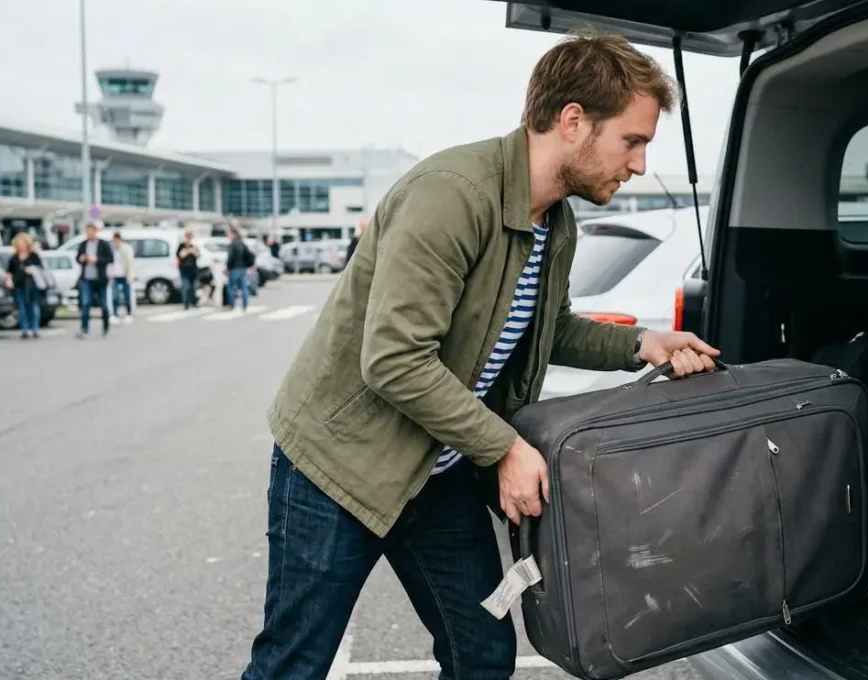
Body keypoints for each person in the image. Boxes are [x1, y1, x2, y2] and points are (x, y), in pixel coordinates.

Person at [240, 31, 720, 680]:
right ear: (573, 122)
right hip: (339, 472)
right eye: (632, 141)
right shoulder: (452, 195)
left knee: (483, 655)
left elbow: (549, 329)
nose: (637, 164)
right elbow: (394, 359)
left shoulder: (556, 220)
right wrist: (503, 449)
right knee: (293, 665)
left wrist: (645, 344)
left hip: (435, 475)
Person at [75, 222, 114, 338]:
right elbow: (77, 257)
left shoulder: (103, 244)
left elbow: (110, 259)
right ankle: (84, 328)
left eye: (91, 231)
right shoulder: (83, 244)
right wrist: (81, 259)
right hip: (87, 277)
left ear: (95, 231)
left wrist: (97, 259)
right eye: (87, 232)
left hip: (100, 278)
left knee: (103, 304)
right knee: (86, 303)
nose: (89, 234)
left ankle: (106, 326)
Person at [4, 233, 44, 339]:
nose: (21, 245)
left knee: (33, 307)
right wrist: (9, 281)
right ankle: (24, 330)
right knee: (21, 308)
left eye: (23, 242)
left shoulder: (33, 256)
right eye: (19, 243)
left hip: (32, 285)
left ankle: (35, 329)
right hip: (19, 285)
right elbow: (9, 271)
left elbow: (41, 269)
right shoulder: (14, 258)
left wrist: (32, 270)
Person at [110, 231, 135, 323]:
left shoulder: (126, 249)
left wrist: (130, 275)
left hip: (124, 275)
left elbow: (130, 262)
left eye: (117, 240)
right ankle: (115, 314)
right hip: (115, 275)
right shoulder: (112, 249)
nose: (116, 243)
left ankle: (128, 313)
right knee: (115, 296)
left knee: (127, 295)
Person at [225, 228, 251, 312]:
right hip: (243, 268)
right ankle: (245, 305)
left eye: (229, 234)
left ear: (233, 234)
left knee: (232, 287)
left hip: (234, 268)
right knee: (243, 287)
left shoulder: (232, 245)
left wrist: (228, 268)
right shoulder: (243, 244)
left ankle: (232, 305)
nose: (228, 236)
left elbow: (230, 258)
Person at [176, 231, 201, 309]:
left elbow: (198, 255)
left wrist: (194, 251)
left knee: (194, 286)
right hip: (184, 269)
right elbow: (180, 255)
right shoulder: (182, 246)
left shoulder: (194, 246)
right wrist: (188, 251)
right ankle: (185, 303)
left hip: (193, 269)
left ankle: (194, 302)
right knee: (186, 286)